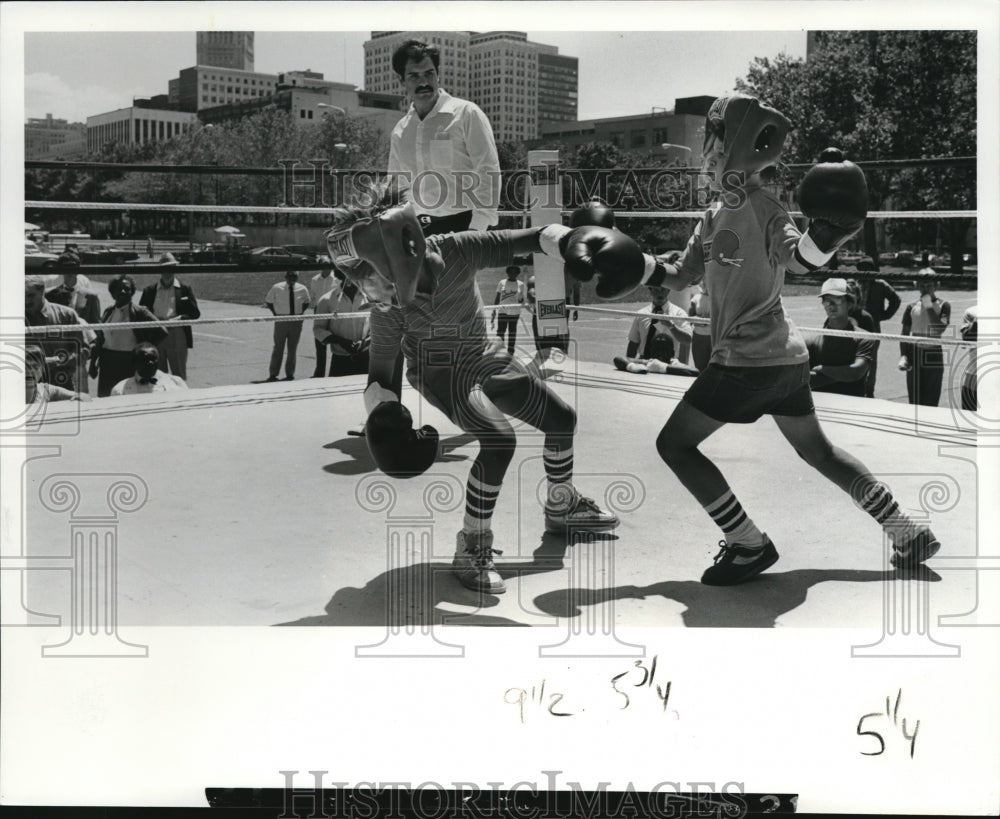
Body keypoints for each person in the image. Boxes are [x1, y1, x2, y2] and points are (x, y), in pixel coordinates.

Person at [571, 95, 939, 584]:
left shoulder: (766, 206)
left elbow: (795, 258)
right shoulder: (711, 215)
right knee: (820, 453)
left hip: (745, 360)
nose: (707, 153)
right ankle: (906, 530)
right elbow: (680, 276)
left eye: (714, 142)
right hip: (783, 363)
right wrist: (632, 263)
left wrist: (826, 238)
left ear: (732, 146)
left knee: (675, 446)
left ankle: (747, 544)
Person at [325, 187, 625, 594]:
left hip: (485, 353)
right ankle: (472, 545)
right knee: (499, 440)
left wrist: (573, 238)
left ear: (399, 253)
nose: (371, 292)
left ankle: (561, 505)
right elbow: (382, 373)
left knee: (561, 419)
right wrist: (385, 418)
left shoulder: (455, 250)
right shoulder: (389, 307)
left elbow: (529, 238)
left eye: (372, 275)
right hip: (438, 371)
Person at [388, 39, 501, 235]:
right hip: (417, 229)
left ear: (438, 75)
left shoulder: (466, 113)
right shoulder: (400, 131)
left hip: (464, 225)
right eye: (414, 76)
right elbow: (396, 187)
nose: (423, 82)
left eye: (429, 73)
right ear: (401, 80)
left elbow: (488, 169)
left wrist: (477, 228)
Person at [90, 276, 168, 398]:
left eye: (127, 289)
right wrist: (92, 363)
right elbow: (100, 338)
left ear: (132, 292)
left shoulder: (140, 311)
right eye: (119, 289)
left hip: (128, 362)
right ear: (113, 293)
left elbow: (162, 331)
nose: (123, 292)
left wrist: (143, 349)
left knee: (125, 396)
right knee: (105, 397)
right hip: (107, 362)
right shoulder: (108, 312)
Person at [24, 274, 95, 396]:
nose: (26, 301)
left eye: (30, 295)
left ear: (42, 292)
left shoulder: (66, 315)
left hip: (62, 382)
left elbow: (83, 351)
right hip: (26, 385)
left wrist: (58, 361)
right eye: (22, 296)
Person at [806, 278, 877, 397]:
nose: (831, 306)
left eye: (837, 300)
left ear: (849, 304)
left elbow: (856, 372)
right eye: (827, 301)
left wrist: (823, 369)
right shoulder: (812, 340)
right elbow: (804, 380)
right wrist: (841, 374)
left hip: (852, 406)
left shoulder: (864, 338)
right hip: (821, 405)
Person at [45, 252, 102, 394]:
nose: (70, 272)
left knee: (80, 395)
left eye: (73, 268)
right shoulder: (51, 294)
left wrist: (94, 357)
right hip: (56, 352)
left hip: (79, 354)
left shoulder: (90, 295)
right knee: (56, 392)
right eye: (65, 268)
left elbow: (96, 326)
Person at [613, 284, 696, 376]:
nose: (660, 293)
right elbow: (633, 343)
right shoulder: (642, 314)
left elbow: (687, 339)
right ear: (650, 290)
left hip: (669, 363)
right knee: (619, 359)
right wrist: (629, 369)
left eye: (663, 290)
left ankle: (662, 367)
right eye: (656, 290)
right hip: (645, 362)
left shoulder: (678, 314)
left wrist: (671, 326)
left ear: (668, 291)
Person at [139, 266, 200, 381]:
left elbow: (195, 313)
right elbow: (142, 313)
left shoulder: (184, 289)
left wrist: (180, 319)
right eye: (164, 269)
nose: (167, 272)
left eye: (170, 269)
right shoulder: (150, 290)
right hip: (156, 333)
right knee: (157, 373)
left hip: (177, 333)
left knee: (179, 374)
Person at [898, 274, 951, 407]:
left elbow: (939, 329)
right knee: (915, 399)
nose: (926, 288)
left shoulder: (944, 305)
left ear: (936, 285)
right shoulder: (911, 306)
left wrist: (928, 305)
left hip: (933, 354)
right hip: (914, 354)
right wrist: (903, 355)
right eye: (922, 285)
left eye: (929, 285)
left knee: (931, 400)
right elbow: (904, 333)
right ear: (917, 285)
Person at [312, 268, 371, 377]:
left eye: (356, 275)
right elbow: (318, 329)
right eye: (347, 276)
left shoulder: (369, 298)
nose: (351, 280)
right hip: (340, 360)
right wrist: (342, 342)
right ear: (341, 276)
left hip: (365, 358)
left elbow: (378, 326)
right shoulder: (326, 300)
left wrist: (365, 342)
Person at [264, 270, 310, 381]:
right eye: (289, 276)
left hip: (296, 320)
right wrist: (276, 314)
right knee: (278, 347)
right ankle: (273, 374)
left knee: (292, 348)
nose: (292, 279)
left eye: (294, 276)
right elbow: (269, 301)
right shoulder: (277, 287)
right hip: (282, 319)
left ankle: (290, 373)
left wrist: (299, 314)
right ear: (285, 277)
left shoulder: (302, 289)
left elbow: (306, 302)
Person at [110, 343, 189, 395]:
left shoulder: (176, 383)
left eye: (153, 359)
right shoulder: (119, 390)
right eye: (145, 359)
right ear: (134, 363)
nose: (150, 363)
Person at [24, 344, 89, 404]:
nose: (30, 370)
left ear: (42, 370)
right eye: (25, 366)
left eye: (35, 366)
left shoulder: (44, 390)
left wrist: (79, 396)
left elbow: (83, 396)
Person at [309, 264, 338, 378]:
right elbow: (313, 296)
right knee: (320, 340)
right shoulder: (315, 280)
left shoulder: (336, 279)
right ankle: (320, 371)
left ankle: (335, 370)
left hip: (333, 310)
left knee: (335, 338)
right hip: (319, 310)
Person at [491, 265, 525, 355]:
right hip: (503, 311)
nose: (512, 274)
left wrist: (521, 298)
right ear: (507, 272)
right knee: (500, 331)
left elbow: (521, 300)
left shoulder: (521, 284)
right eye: (510, 272)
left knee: (512, 332)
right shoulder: (502, 282)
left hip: (514, 313)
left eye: (515, 272)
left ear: (518, 273)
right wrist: (493, 310)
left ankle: (510, 352)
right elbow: (497, 297)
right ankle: (498, 350)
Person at [688, 282, 712, 371]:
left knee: (713, 366)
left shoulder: (720, 298)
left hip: (714, 336)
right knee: (700, 367)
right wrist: (702, 321)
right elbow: (689, 318)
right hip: (699, 336)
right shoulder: (696, 298)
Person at [959, 303, 978, 411]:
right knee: (968, 421)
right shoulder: (972, 312)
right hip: (973, 376)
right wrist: (976, 322)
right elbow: (967, 339)